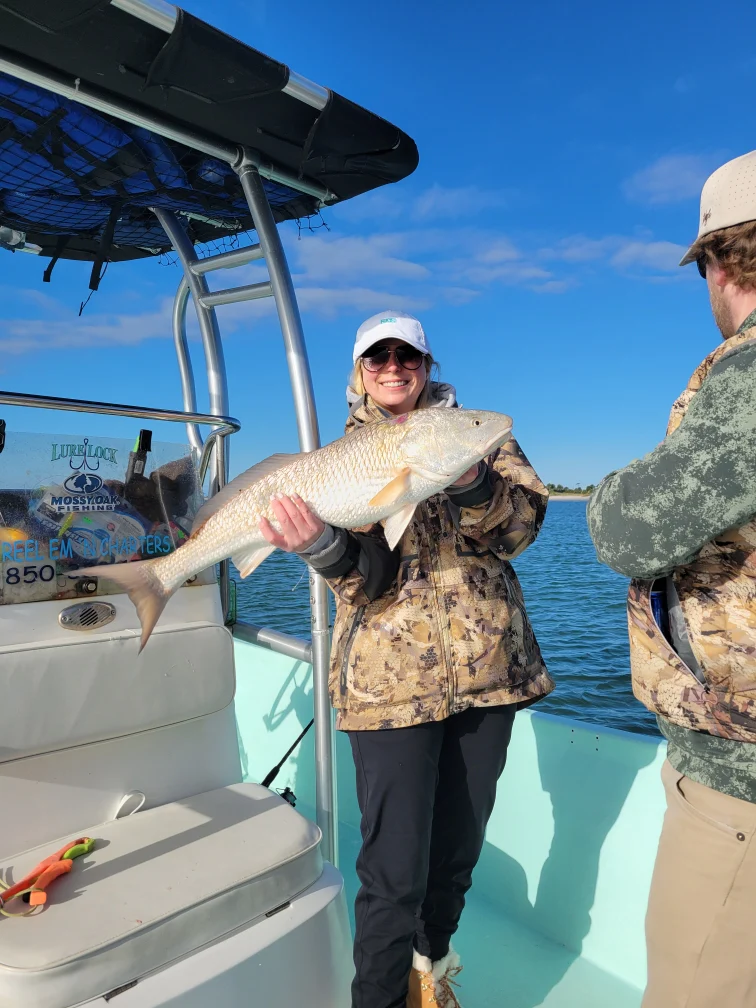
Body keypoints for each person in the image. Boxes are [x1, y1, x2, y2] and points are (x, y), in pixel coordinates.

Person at [260, 310, 553, 1008]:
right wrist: (320, 547)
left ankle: (431, 975)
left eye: (408, 356)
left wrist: (469, 478)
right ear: (360, 372)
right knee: (394, 876)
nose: (394, 367)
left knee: (455, 858)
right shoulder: (340, 462)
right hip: (386, 691)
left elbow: (522, 530)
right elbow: (369, 583)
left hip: (488, 677)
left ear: (426, 363)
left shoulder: (476, 438)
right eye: (377, 357)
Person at [587, 153, 756, 1008]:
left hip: (741, 787)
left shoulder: (751, 374)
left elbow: (626, 528)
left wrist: (618, 484)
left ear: (720, 264)